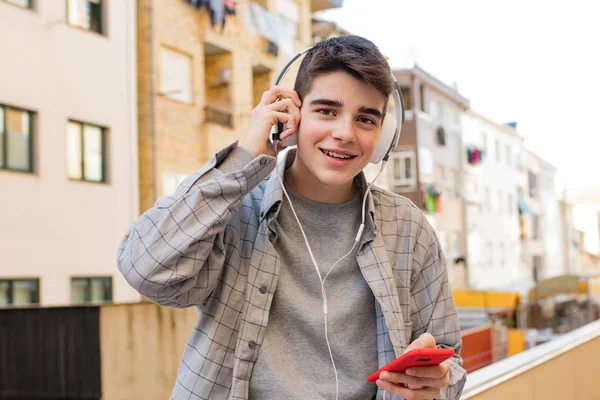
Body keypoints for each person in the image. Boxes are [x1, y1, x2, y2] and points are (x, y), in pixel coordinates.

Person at [117, 35, 466, 400]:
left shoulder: (408, 228)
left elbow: (451, 367)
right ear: (291, 116)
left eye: (365, 119)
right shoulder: (232, 207)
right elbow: (146, 270)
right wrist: (244, 156)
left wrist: (434, 383)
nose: (344, 133)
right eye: (327, 111)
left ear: (383, 137)